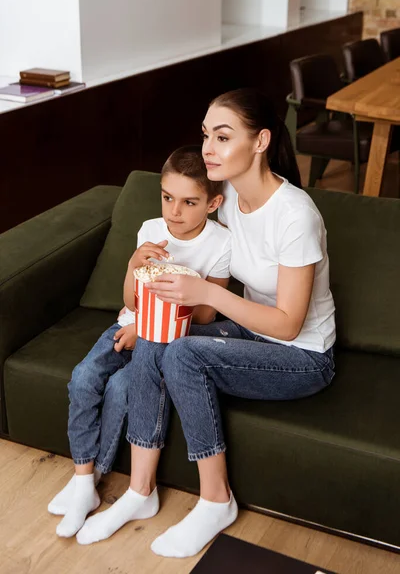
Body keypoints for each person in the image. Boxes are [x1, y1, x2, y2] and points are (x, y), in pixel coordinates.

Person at [75, 88, 336, 557]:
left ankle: (217, 499)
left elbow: (290, 326)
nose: (208, 149)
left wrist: (208, 293)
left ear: (260, 142)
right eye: (205, 135)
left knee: (184, 351)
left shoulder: (296, 215)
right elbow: (180, 204)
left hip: (301, 356)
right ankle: (141, 491)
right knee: (162, 336)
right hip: (250, 331)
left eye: (222, 136)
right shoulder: (228, 196)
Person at [49, 145, 231, 538]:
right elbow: (131, 301)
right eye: (167, 197)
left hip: (164, 336)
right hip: (129, 323)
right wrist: (134, 265)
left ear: (213, 203)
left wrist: (162, 312)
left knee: (120, 387)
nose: (174, 211)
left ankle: (98, 479)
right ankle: (82, 480)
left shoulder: (221, 244)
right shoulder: (151, 230)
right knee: (83, 378)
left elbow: (204, 317)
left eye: (189, 202)